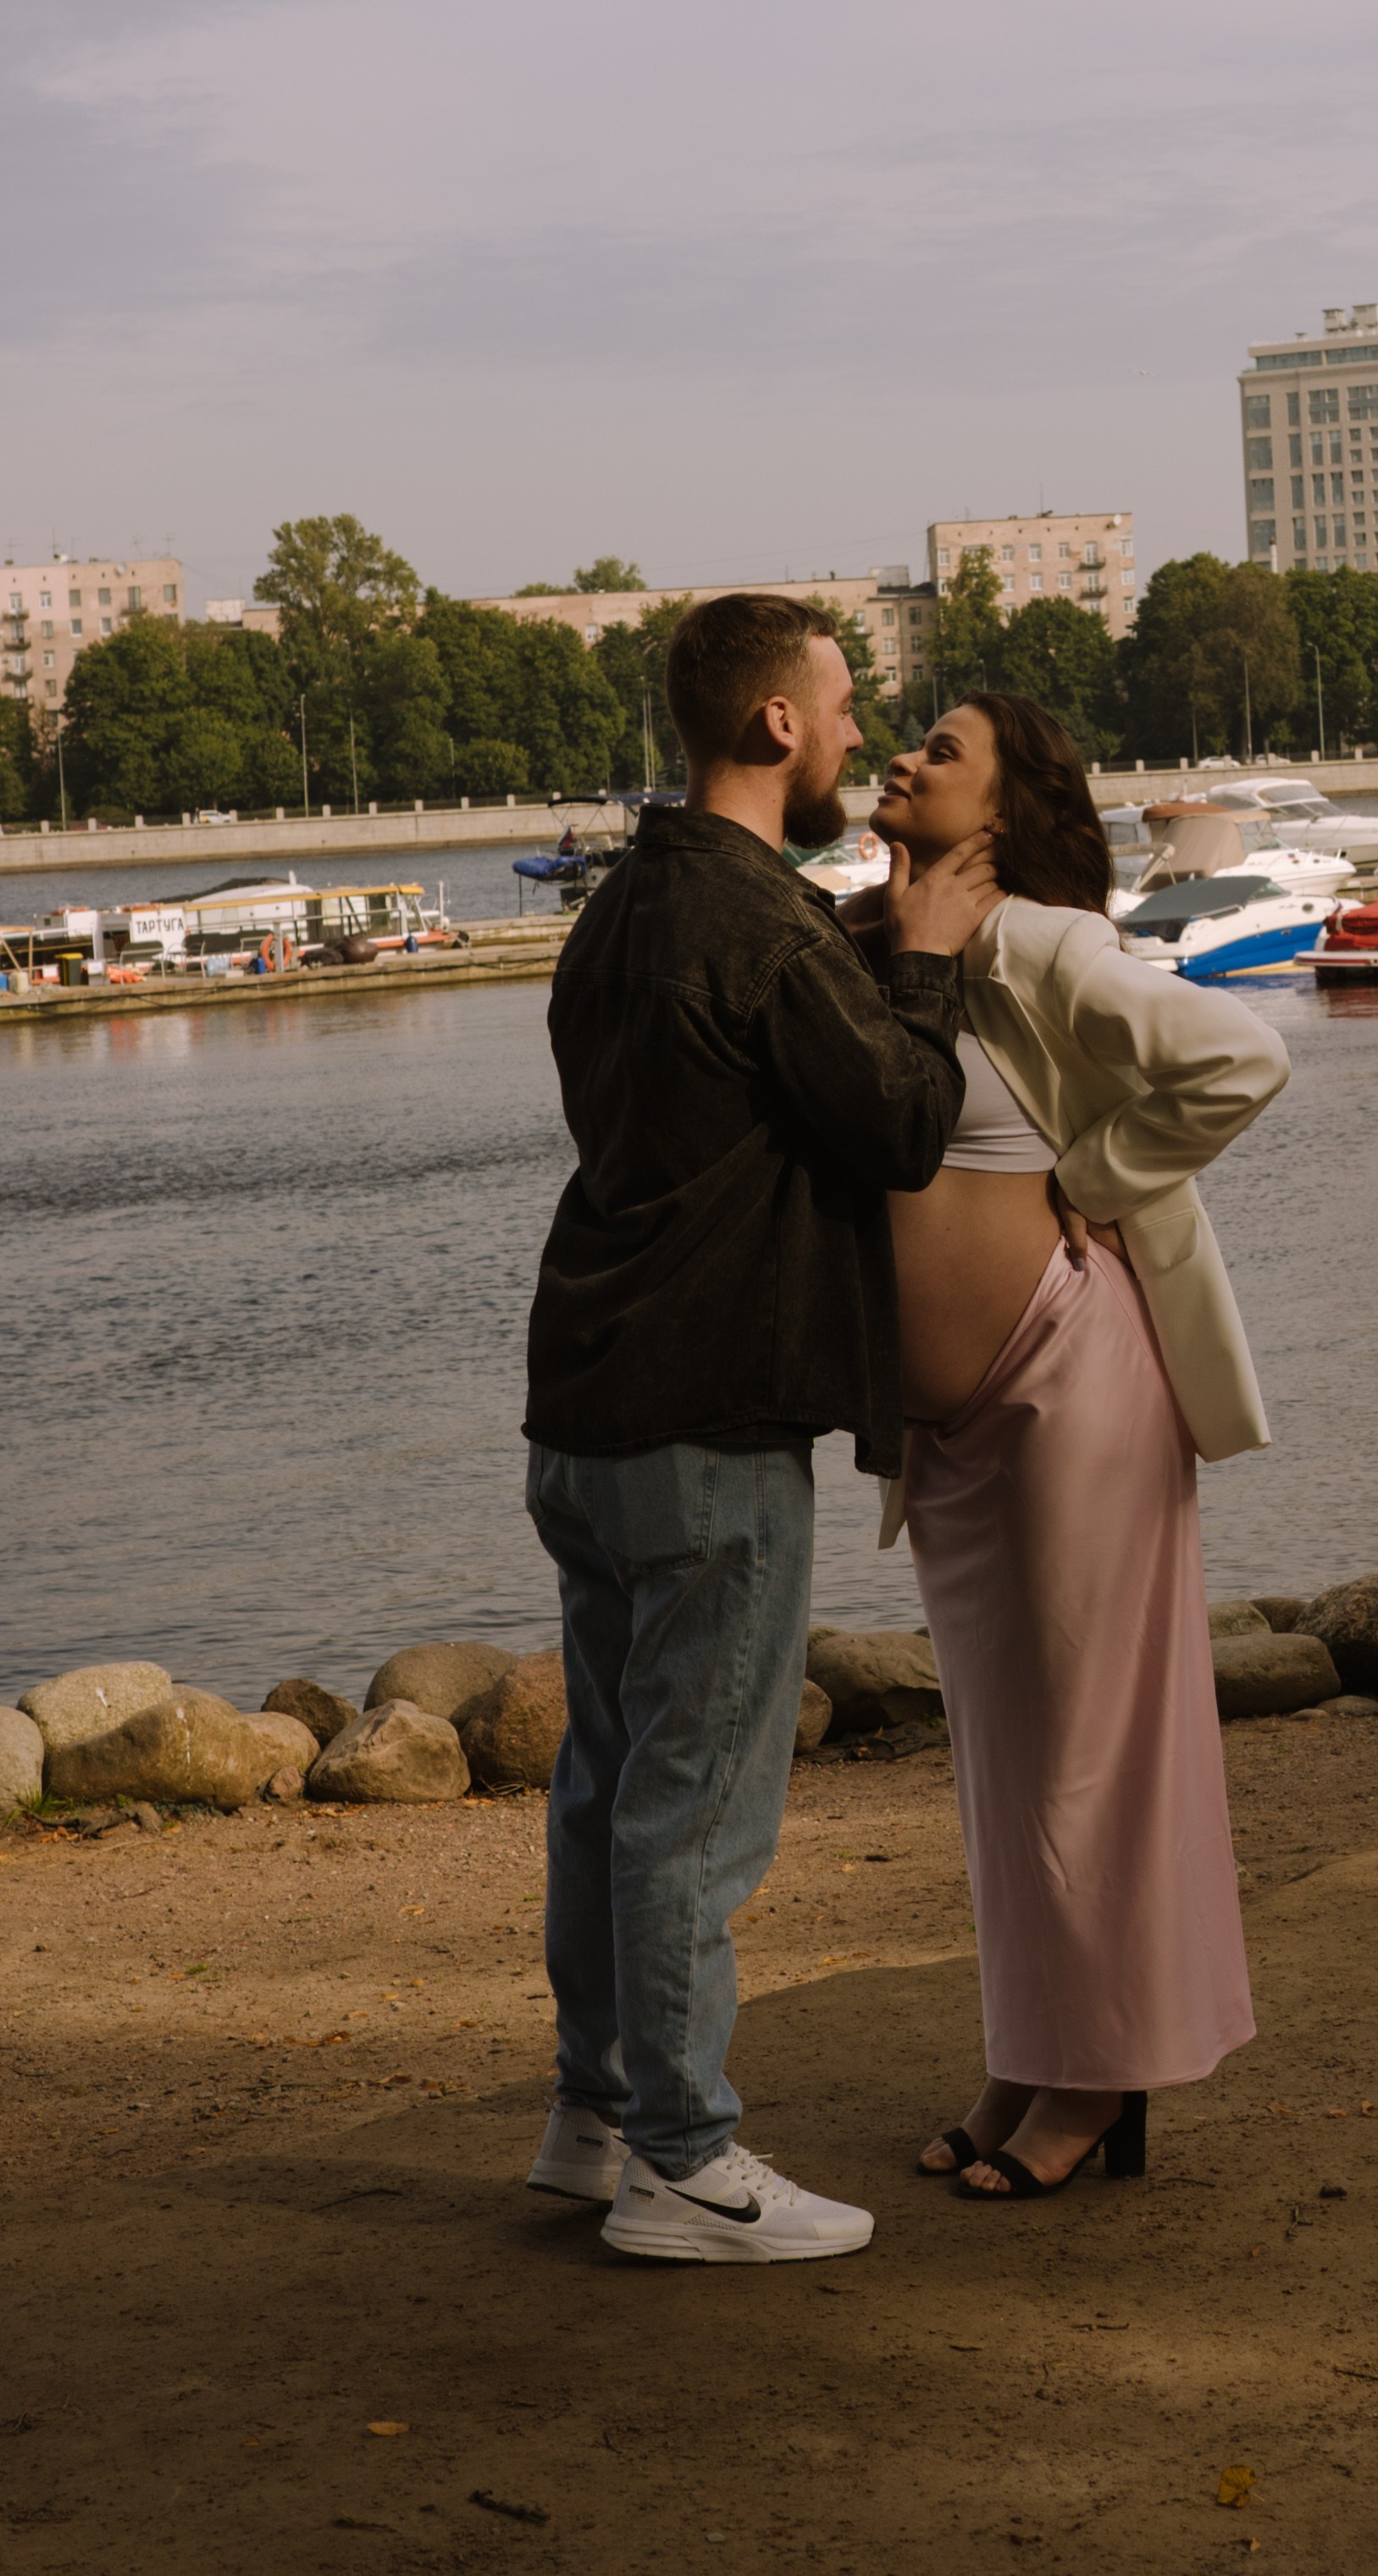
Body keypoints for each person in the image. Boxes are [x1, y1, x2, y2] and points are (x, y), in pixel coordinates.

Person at [520, 594, 999, 2263]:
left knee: (605, 1782)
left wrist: (855, 953)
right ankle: (681, 2161)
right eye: (847, 706)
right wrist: (926, 962)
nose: (864, 735)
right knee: (694, 1808)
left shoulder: (629, 902)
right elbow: (905, 1124)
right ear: (777, 726)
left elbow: (709, 1087)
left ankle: (592, 2120)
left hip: (583, 1399)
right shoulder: (757, 919)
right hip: (707, 1415)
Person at [866, 694, 1289, 2201]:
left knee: (1090, 1752)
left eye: (942, 751)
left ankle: (1103, 2082)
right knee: (1006, 1756)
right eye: (903, 739)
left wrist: (1097, 1176)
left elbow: (1238, 1056)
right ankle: (1034, 2052)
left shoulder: (1045, 942)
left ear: (1004, 810)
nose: (902, 758)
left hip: (1072, 1380)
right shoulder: (898, 948)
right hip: (965, 1432)